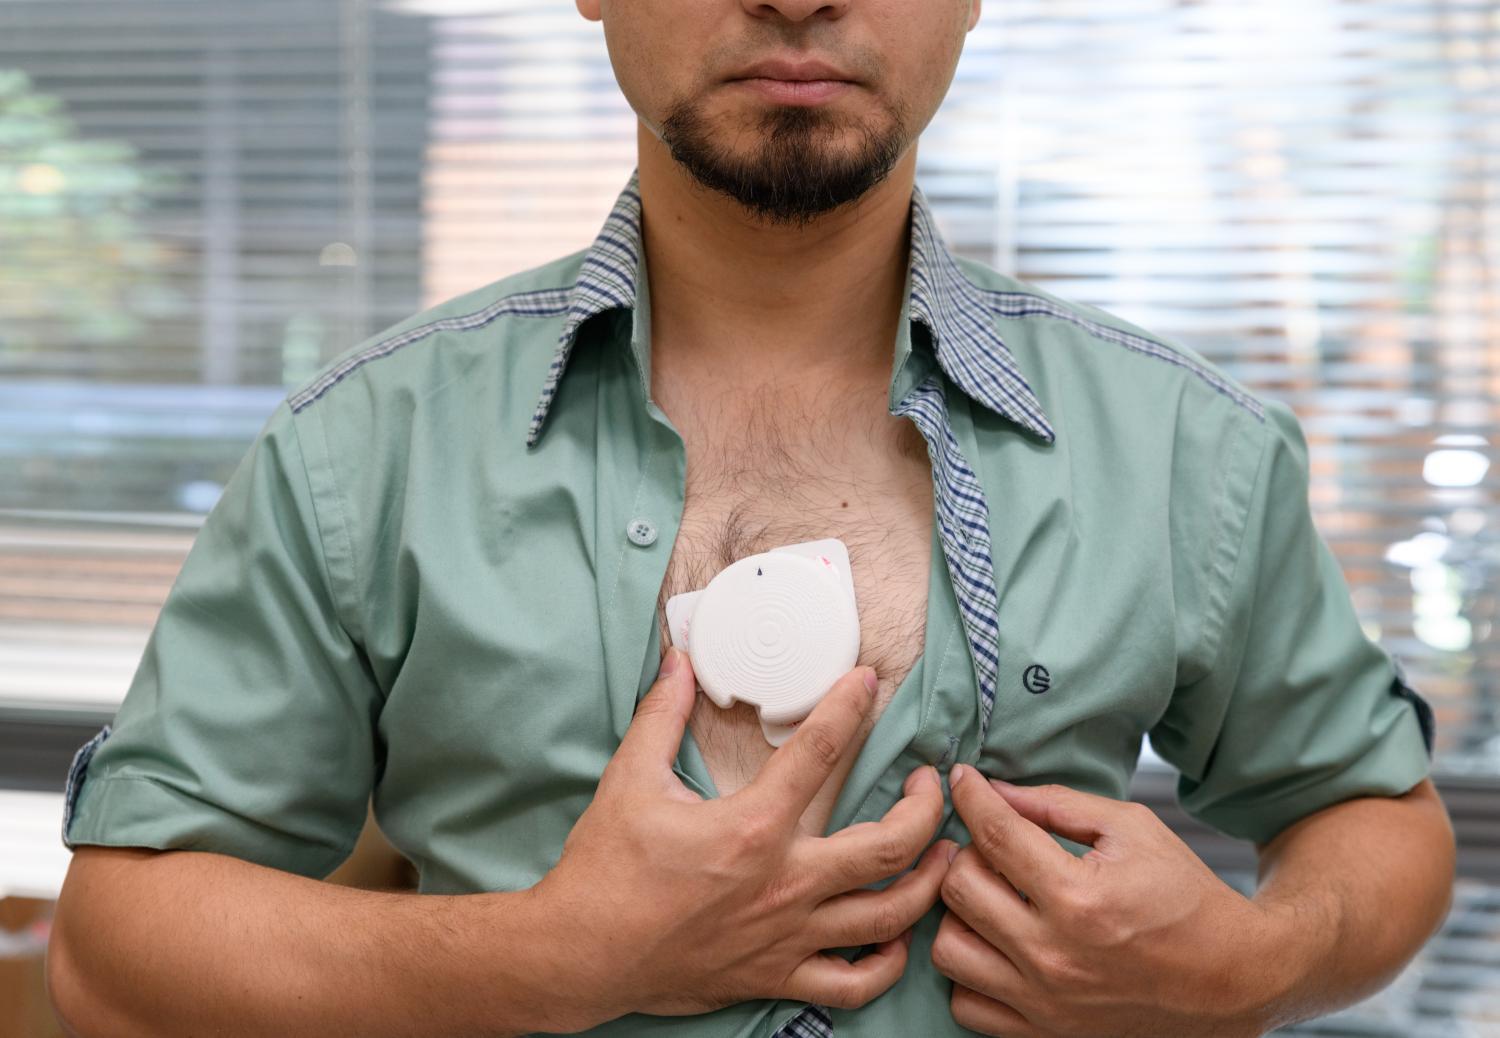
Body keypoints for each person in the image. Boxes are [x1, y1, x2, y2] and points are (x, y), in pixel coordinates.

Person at [47, 1, 1456, 1035]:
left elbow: (1373, 823)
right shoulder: (363, 448)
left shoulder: (1184, 449)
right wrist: (550, 954)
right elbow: (114, 954)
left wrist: (1252, 966)